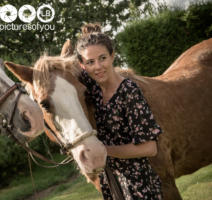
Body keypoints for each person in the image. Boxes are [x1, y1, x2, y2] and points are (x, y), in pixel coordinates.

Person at [76, 23, 163, 200]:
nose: (98, 66)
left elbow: (150, 147)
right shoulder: (94, 88)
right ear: (82, 65)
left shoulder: (129, 91)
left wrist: (104, 150)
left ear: (112, 56)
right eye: (90, 62)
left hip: (139, 185)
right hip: (112, 182)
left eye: (103, 58)